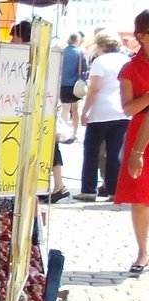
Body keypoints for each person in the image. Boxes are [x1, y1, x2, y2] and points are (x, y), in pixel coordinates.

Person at [12, 21, 69, 202]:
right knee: (47, 146)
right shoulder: (40, 52)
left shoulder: (29, 54)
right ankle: (54, 185)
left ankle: (58, 186)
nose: (11, 40)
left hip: (39, 108)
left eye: (14, 36)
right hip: (42, 106)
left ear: (21, 36)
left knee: (46, 146)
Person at [114, 10, 149, 274]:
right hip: (139, 135)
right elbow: (128, 109)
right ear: (141, 36)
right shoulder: (130, 68)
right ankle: (142, 252)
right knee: (140, 198)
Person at [77, 30, 129, 202]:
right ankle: (114, 190)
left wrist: (85, 110)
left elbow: (95, 89)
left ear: (100, 44)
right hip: (122, 112)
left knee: (91, 151)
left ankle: (88, 190)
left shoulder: (100, 61)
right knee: (115, 154)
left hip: (100, 112)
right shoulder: (126, 60)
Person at [59, 33, 89, 143]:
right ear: (78, 40)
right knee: (75, 109)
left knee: (64, 109)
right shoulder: (80, 52)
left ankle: (62, 133)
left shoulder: (62, 52)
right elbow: (85, 69)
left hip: (63, 84)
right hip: (76, 85)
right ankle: (74, 134)